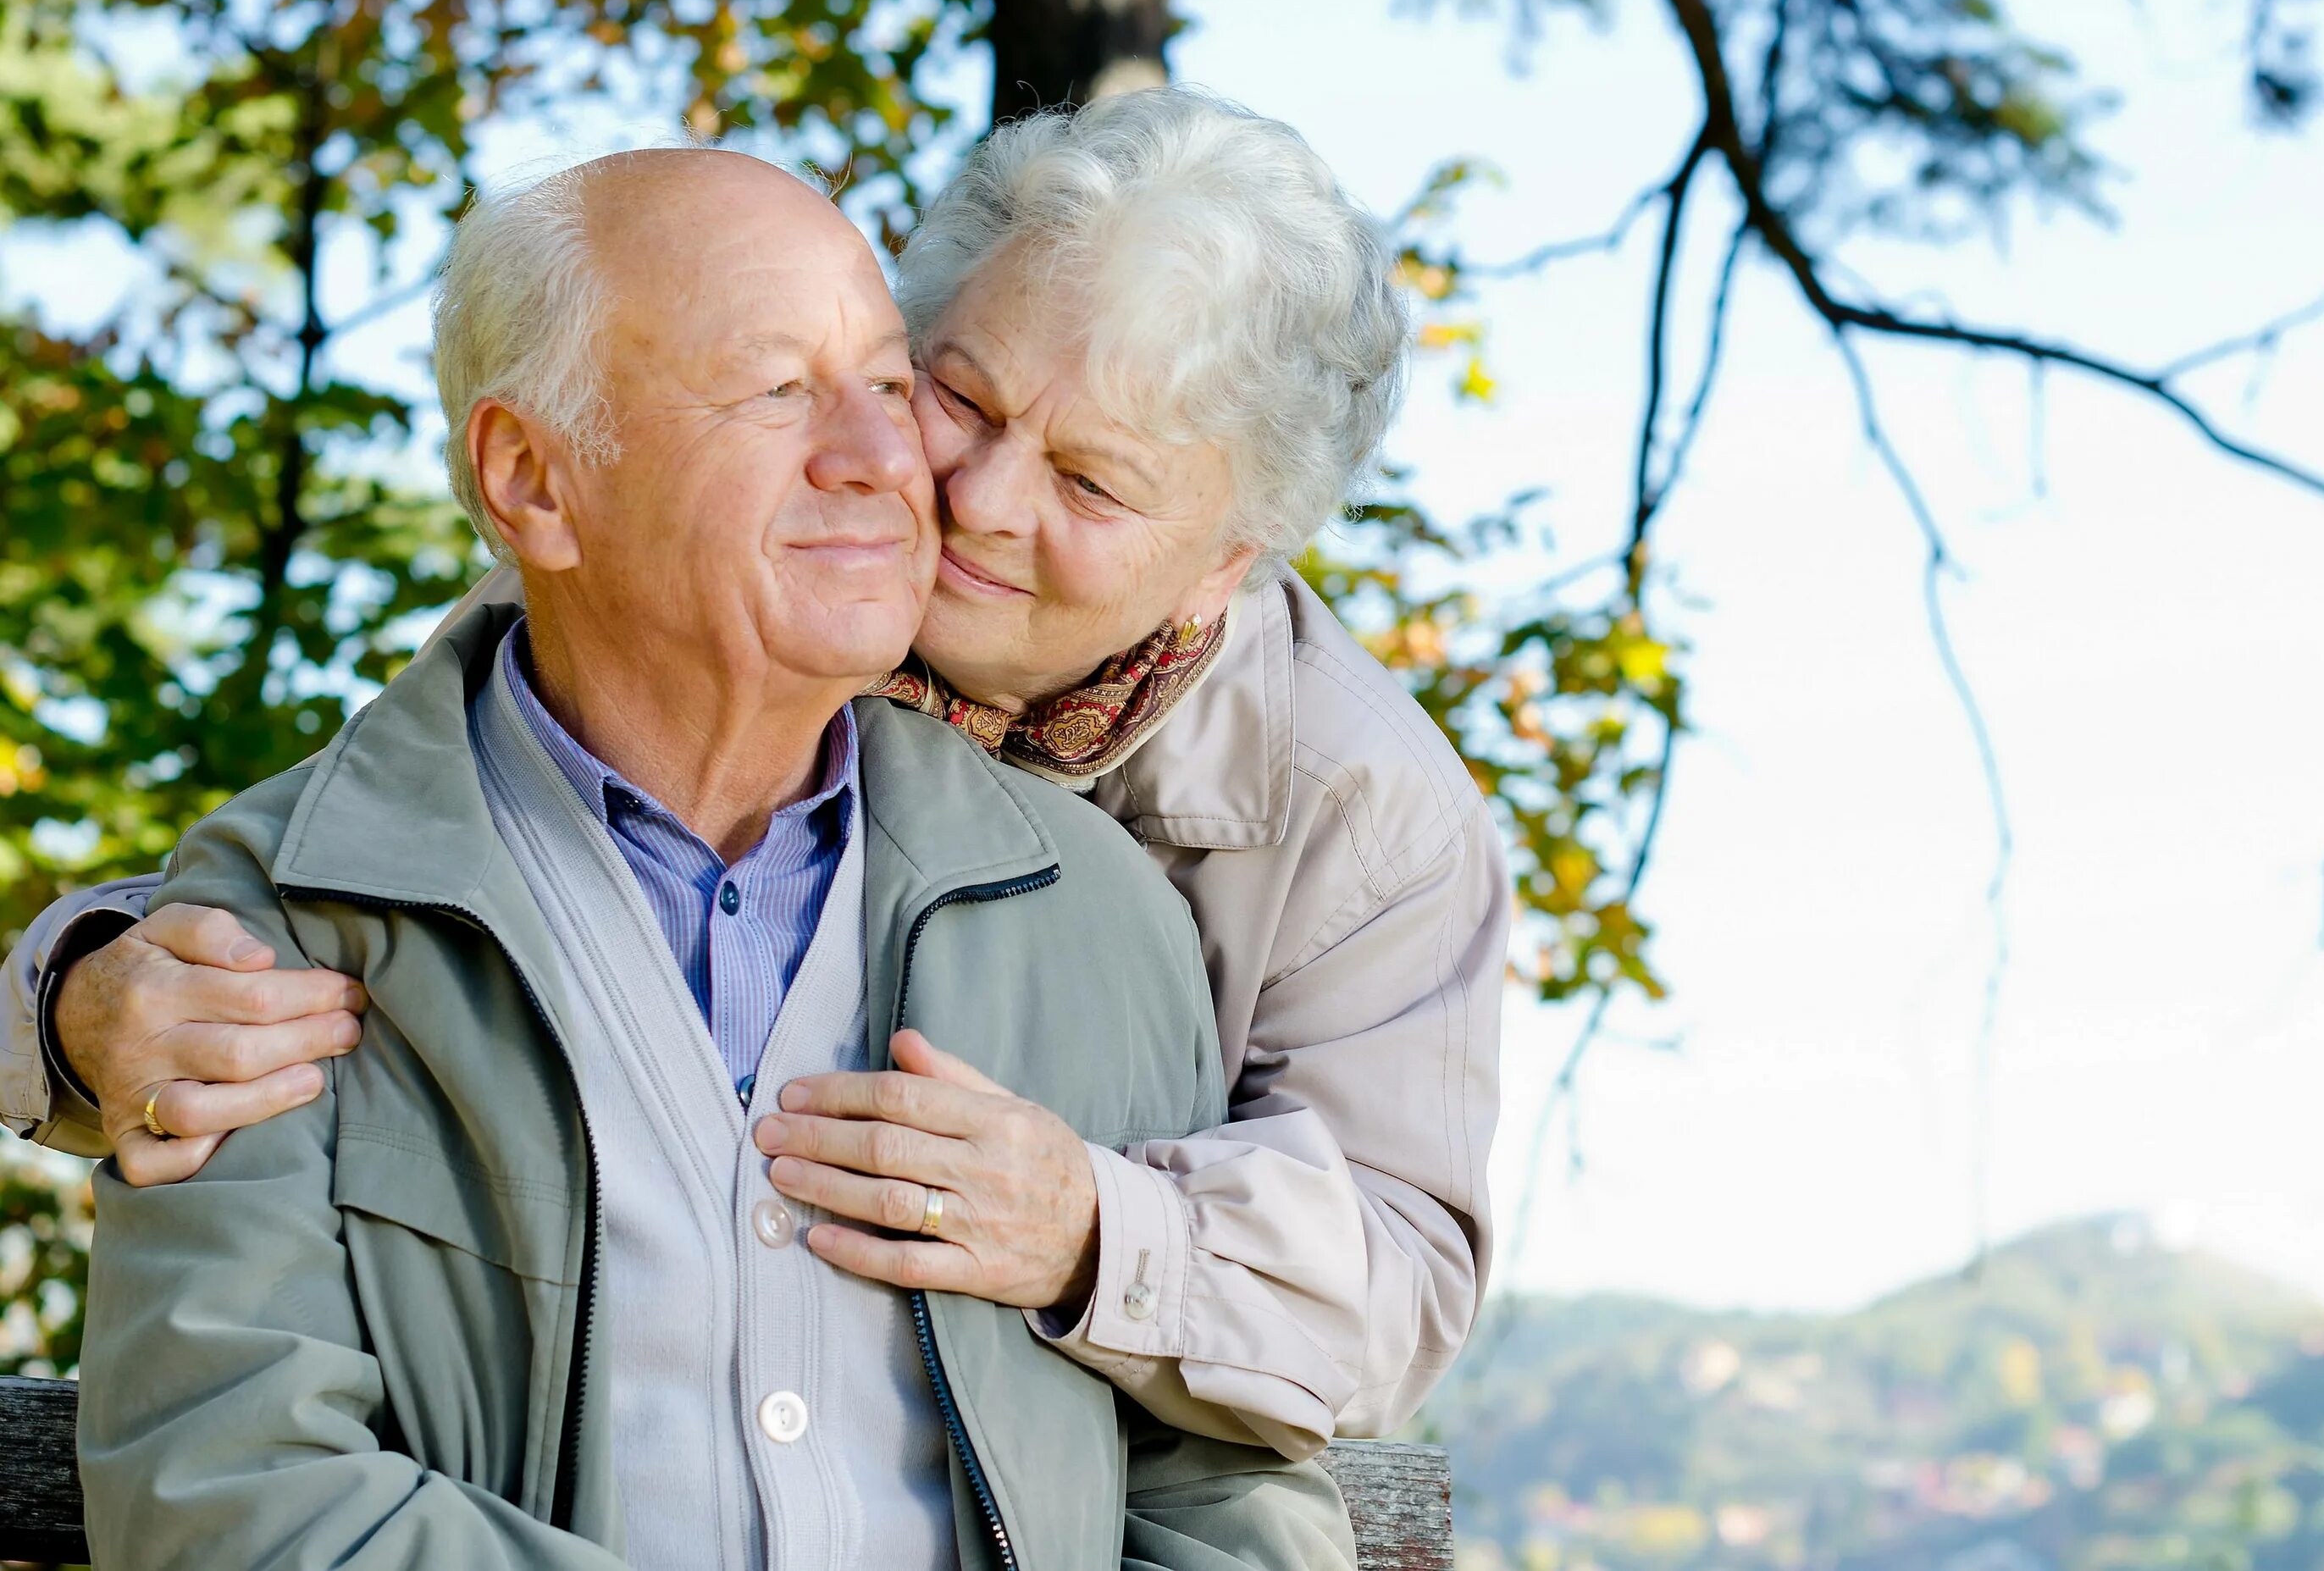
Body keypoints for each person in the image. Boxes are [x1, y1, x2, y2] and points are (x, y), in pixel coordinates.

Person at [10, 86, 1509, 1457]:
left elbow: (1395, 1298)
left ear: (1232, 555)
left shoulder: (1361, 818)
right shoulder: (696, 568)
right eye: (961, 400)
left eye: (1090, 482)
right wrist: (77, 1006)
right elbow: (384, 891)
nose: (975, 502)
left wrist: (1086, 1227)